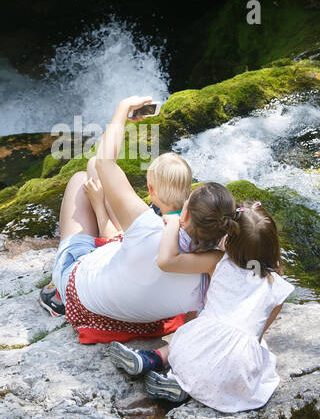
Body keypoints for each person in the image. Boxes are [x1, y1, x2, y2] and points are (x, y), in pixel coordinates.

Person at [108, 184, 294, 411]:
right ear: (274, 246)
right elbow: (255, 338)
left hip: (192, 349)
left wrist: (174, 222)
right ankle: (180, 384)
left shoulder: (218, 262)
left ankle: (160, 365)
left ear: (229, 238)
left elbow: (168, 261)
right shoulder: (278, 289)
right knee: (247, 352)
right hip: (236, 370)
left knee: (196, 339)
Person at [40, 94, 206, 332]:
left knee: (80, 179)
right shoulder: (210, 245)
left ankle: (59, 293)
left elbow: (104, 163)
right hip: (152, 312)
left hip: (99, 305)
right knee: (91, 170)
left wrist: (123, 109)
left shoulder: (147, 226)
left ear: (151, 191)